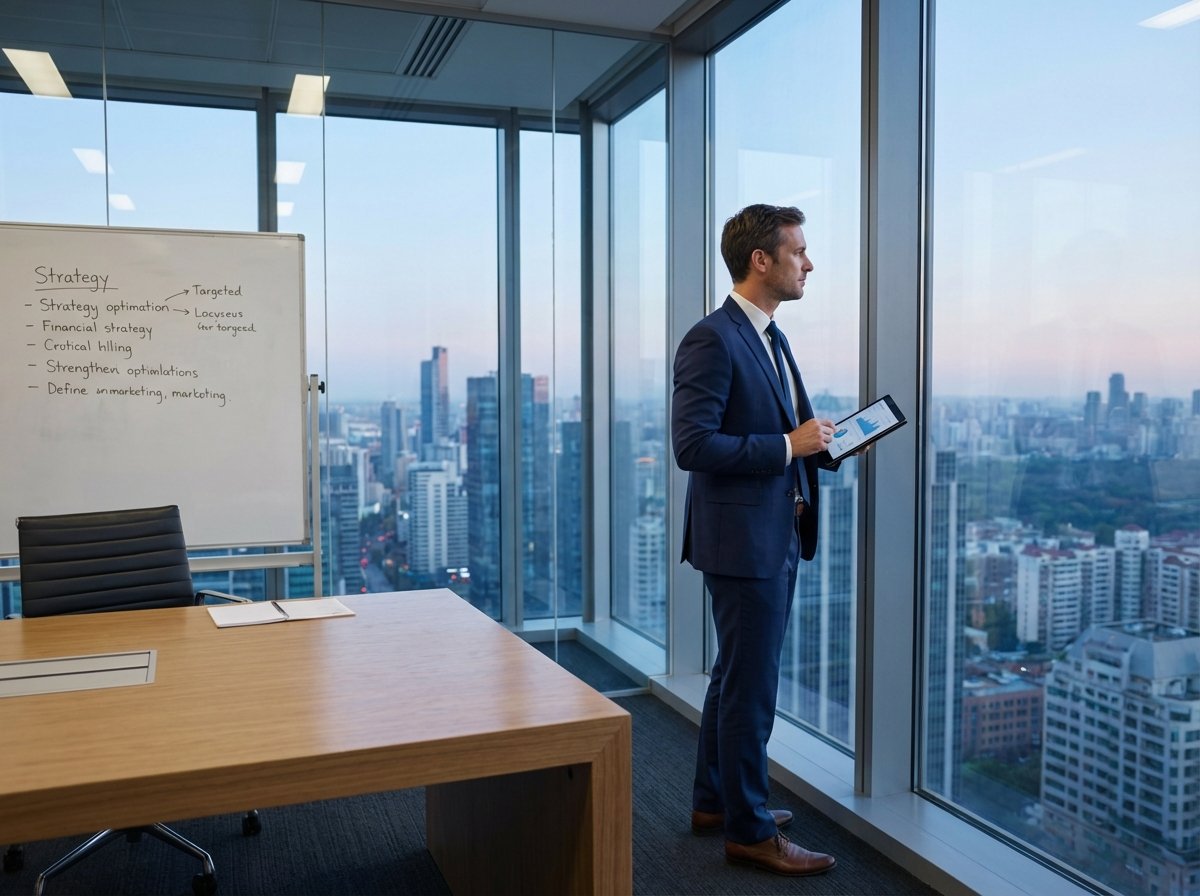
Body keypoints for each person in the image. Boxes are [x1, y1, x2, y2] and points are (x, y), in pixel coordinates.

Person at [671, 203, 839, 876]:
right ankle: (748, 828)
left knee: (734, 676)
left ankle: (716, 801)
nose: (810, 262)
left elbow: (779, 429)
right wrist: (785, 445)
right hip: (743, 542)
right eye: (799, 251)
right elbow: (693, 445)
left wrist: (815, 446)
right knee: (752, 686)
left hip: (772, 533)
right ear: (761, 260)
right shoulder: (713, 338)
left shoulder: (770, 335)